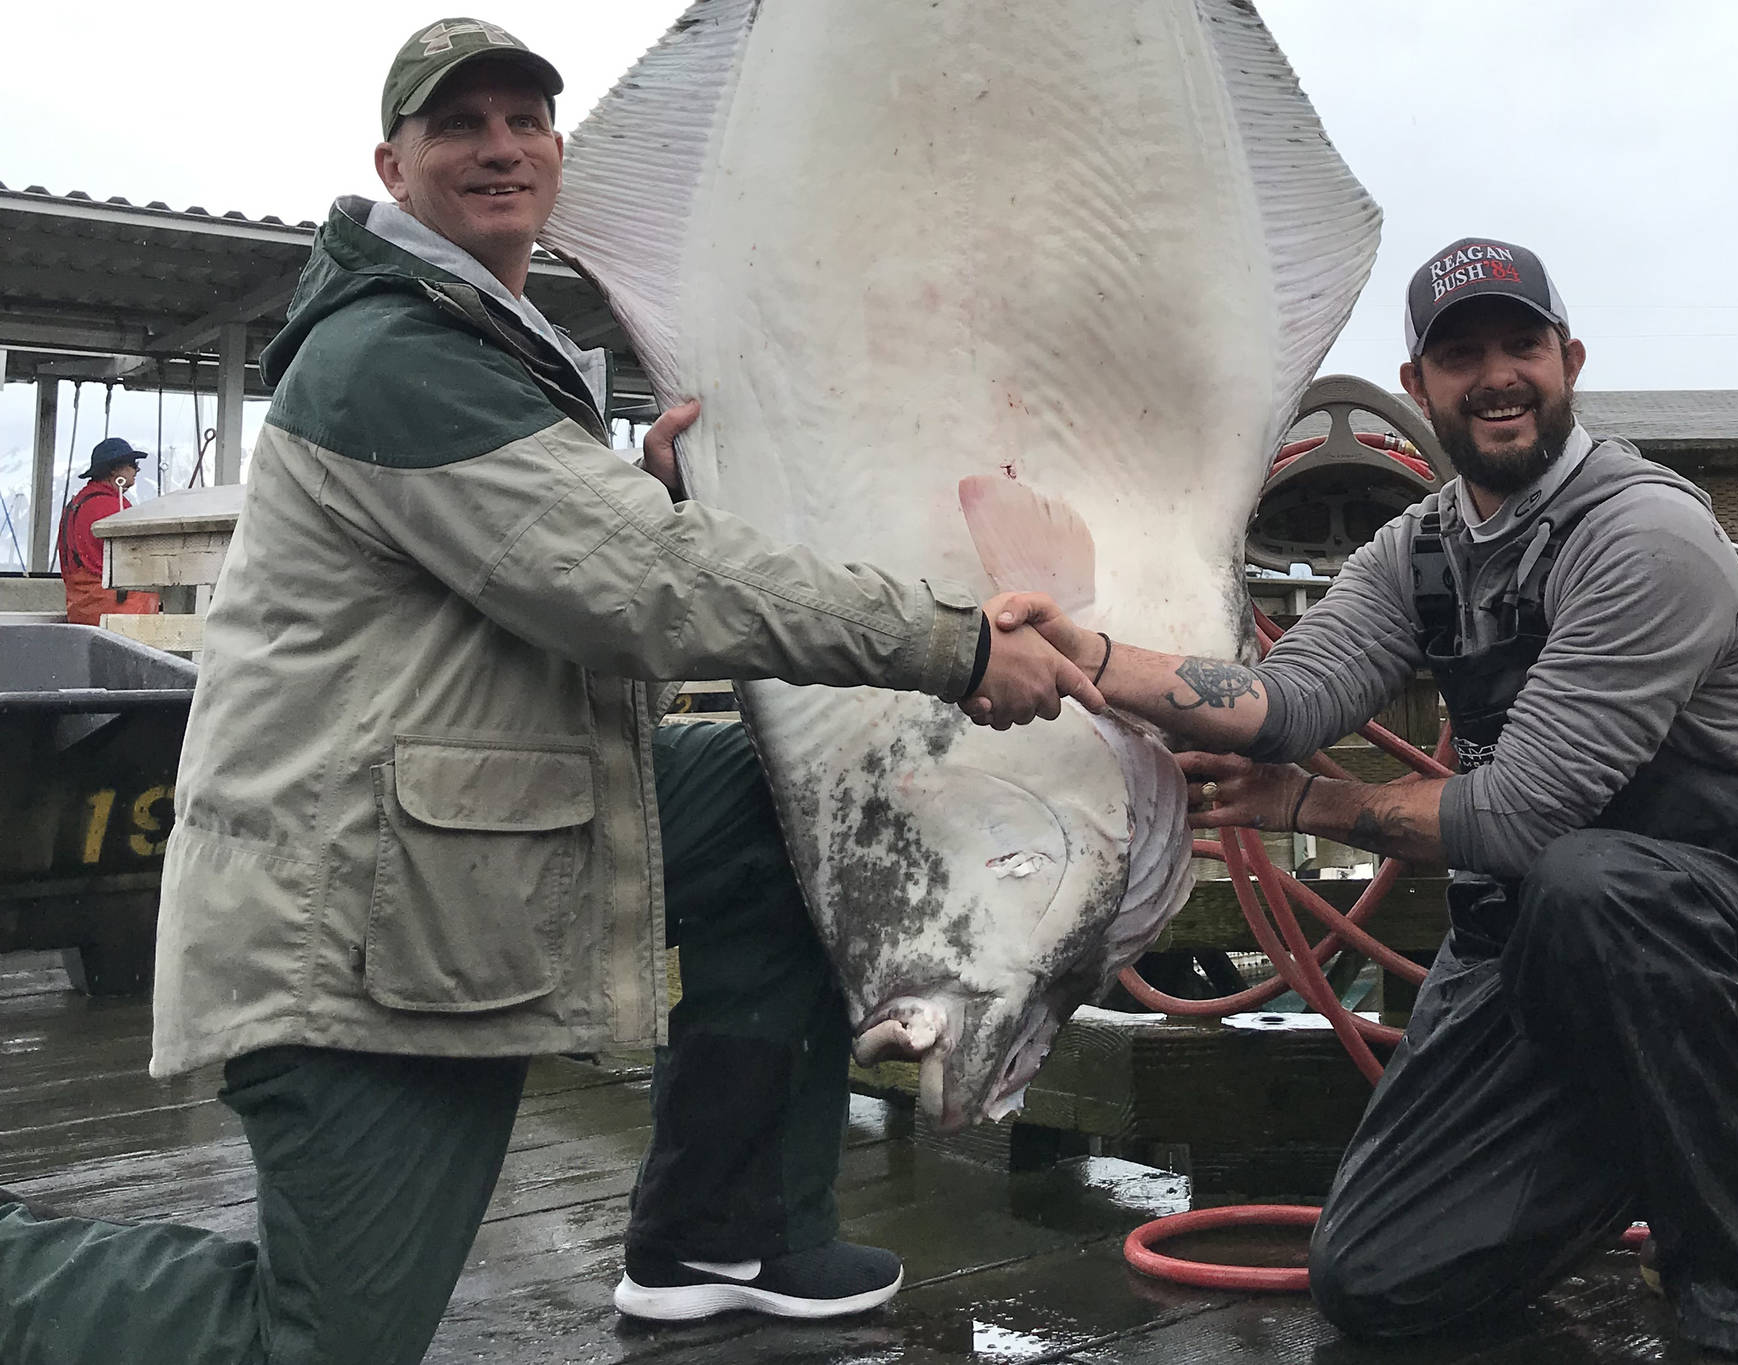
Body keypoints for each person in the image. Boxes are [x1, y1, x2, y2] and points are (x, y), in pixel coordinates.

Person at [0, 19, 1097, 1365]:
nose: (501, 147)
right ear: (390, 167)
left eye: (526, 119)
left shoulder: (488, 343)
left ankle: (722, 1228)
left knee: (782, 802)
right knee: (321, 1343)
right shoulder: (387, 356)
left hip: (468, 838)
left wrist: (644, 493)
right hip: (356, 919)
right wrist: (959, 643)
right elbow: (640, 585)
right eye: (459, 125)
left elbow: (548, 569)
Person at [982, 239, 1738, 1365]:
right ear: (1417, 389)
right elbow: (1286, 695)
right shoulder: (1419, 550)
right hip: (1530, 955)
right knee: (1377, 1282)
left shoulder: (1643, 535)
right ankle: (1655, 1159)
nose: (1494, 375)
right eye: (1459, 355)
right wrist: (1088, 655)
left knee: (1588, 885)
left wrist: (1305, 804)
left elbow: (1519, 820)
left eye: (1518, 345)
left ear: (1567, 359)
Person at [54, 436, 161, 625]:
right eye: (132, 464)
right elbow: (141, 554)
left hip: (81, 611)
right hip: (117, 610)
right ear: (114, 469)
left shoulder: (75, 505)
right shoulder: (114, 506)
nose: (136, 469)